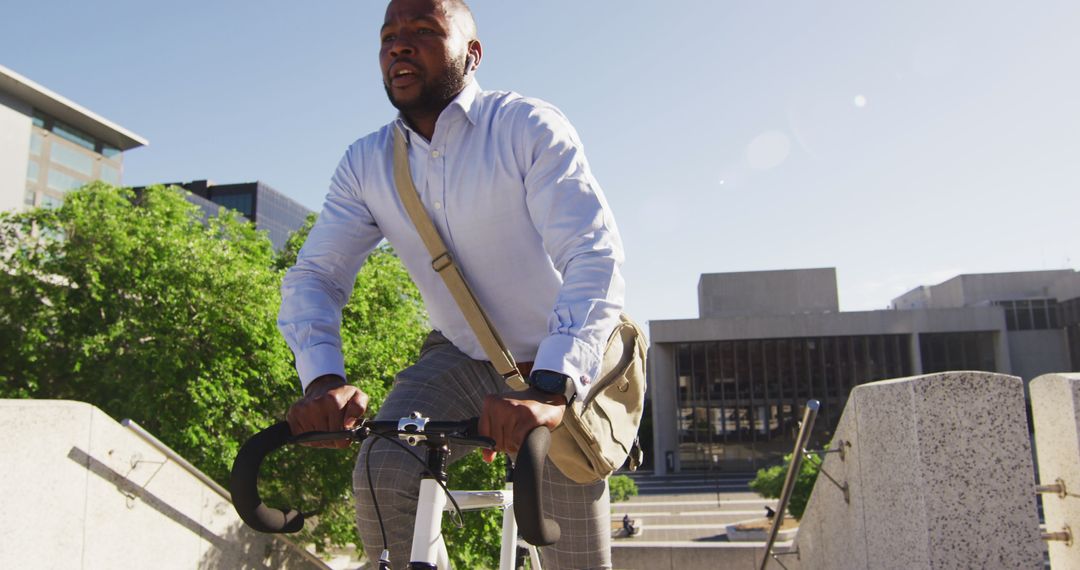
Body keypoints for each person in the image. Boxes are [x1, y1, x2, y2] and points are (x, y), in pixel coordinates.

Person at [277, 0, 624, 567]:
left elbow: (593, 255)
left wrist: (550, 392)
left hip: (563, 360)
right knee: (382, 466)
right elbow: (316, 275)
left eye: (423, 31)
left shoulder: (526, 126)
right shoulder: (365, 163)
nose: (398, 46)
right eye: (388, 36)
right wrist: (322, 380)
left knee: (572, 552)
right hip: (459, 354)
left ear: (473, 53)